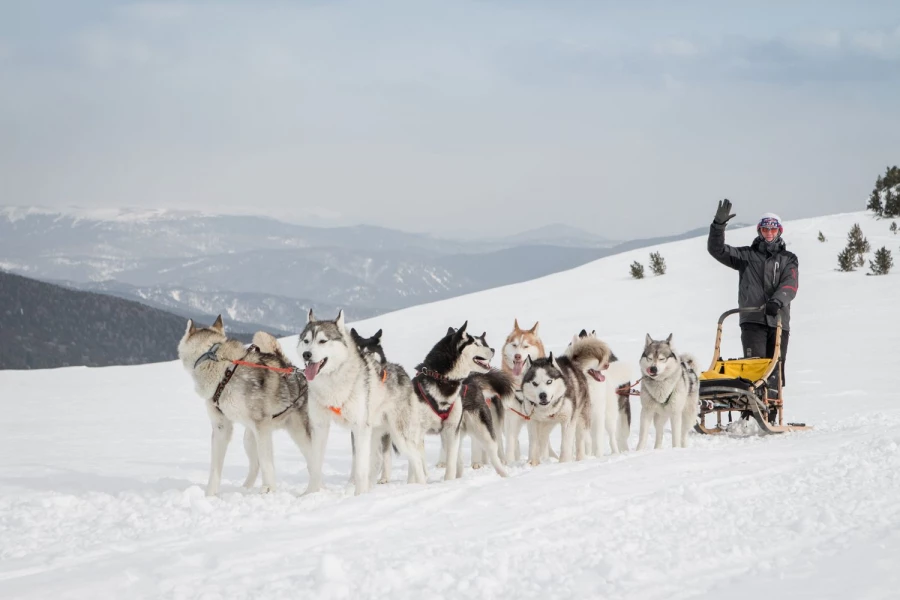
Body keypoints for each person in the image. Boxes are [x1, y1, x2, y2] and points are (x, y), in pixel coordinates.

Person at [707, 199, 799, 398]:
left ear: (779, 232)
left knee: (774, 368)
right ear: (759, 231)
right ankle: (750, 410)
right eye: (765, 229)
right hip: (752, 321)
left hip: (779, 322)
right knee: (753, 368)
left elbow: (790, 284)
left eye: (773, 230)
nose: (769, 233)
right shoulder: (746, 256)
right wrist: (718, 226)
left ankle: (772, 411)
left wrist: (777, 301)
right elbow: (717, 250)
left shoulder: (788, 259)